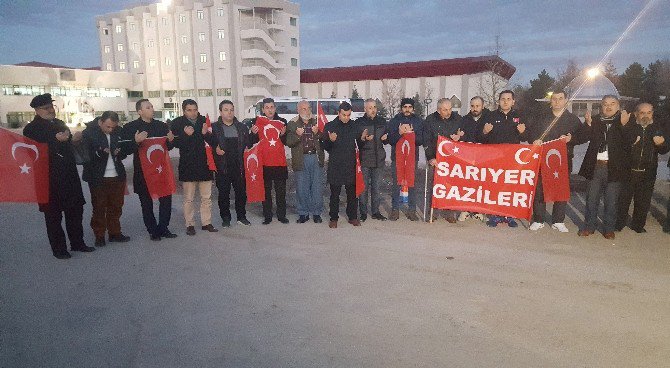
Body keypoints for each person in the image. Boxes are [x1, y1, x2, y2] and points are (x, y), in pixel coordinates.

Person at [23, 93, 95, 259]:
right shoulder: (31, 129)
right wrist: (55, 140)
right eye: (46, 108)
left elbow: (67, 145)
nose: (50, 110)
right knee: (53, 216)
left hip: (69, 175)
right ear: (37, 110)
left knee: (75, 211)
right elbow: (32, 152)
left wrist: (74, 141)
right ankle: (59, 249)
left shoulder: (60, 123)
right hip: (48, 178)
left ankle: (77, 243)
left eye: (51, 106)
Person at [573, 95, 632, 239]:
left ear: (618, 106)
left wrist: (624, 126)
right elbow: (581, 138)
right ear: (601, 106)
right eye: (605, 104)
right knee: (591, 199)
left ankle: (608, 229)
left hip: (614, 168)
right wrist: (587, 124)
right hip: (595, 167)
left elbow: (630, 141)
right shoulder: (595, 120)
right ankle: (589, 226)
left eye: (612, 104)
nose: (609, 106)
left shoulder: (624, 121)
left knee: (611, 201)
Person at [120, 99, 177, 241]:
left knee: (166, 200)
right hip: (143, 172)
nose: (152, 109)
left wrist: (170, 141)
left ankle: (163, 228)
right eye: (147, 107)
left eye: (151, 106)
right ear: (139, 111)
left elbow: (168, 148)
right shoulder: (131, 127)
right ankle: (153, 230)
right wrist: (136, 141)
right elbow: (125, 150)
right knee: (146, 203)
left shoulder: (162, 126)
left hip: (161, 170)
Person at [527, 90, 582, 233]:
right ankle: (538, 219)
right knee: (540, 189)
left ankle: (558, 220)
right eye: (554, 99)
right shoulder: (541, 118)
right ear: (550, 101)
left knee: (561, 189)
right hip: (543, 159)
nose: (557, 101)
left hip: (563, 160)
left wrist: (572, 139)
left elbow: (583, 136)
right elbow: (531, 133)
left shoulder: (572, 119)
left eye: (560, 98)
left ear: (566, 101)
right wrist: (534, 140)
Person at [616, 102, 668, 233]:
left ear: (652, 114)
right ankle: (619, 223)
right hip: (629, 170)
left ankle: (638, 225)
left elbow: (664, 150)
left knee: (643, 201)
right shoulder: (629, 126)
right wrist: (625, 132)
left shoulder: (658, 128)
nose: (646, 115)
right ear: (636, 114)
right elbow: (619, 145)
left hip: (648, 171)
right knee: (623, 199)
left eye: (649, 112)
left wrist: (661, 144)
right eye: (642, 112)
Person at [81, 111, 131, 247]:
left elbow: (125, 150)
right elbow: (85, 155)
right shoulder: (88, 132)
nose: (111, 130)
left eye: (113, 127)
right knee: (99, 207)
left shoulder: (118, 131)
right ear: (101, 122)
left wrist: (120, 152)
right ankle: (99, 235)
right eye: (108, 127)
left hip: (117, 175)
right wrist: (99, 152)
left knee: (116, 206)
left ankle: (115, 233)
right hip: (97, 177)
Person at [170, 99, 218, 236]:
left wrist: (205, 134)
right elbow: (174, 143)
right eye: (189, 110)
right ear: (184, 111)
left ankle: (206, 223)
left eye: (195, 109)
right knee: (188, 198)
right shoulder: (178, 123)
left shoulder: (204, 121)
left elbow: (214, 142)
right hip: (188, 165)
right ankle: (189, 224)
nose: (193, 113)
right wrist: (186, 135)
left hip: (205, 165)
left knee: (206, 197)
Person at [480, 90, 527, 228]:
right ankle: (494, 215)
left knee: (510, 187)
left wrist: (523, 132)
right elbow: (480, 137)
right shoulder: (490, 116)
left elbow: (526, 137)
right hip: (495, 158)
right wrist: (484, 132)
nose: (505, 101)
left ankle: (509, 215)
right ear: (498, 101)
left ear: (513, 101)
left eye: (508, 99)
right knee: (495, 186)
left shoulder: (519, 116)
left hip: (513, 158)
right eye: (502, 99)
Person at [321, 102, 368, 228]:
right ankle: (333, 218)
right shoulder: (330, 126)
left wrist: (362, 139)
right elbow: (324, 146)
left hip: (350, 165)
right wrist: (330, 140)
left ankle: (352, 216)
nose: (346, 117)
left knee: (352, 194)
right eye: (344, 115)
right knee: (334, 194)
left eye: (348, 115)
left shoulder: (354, 126)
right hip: (336, 165)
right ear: (338, 113)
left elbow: (359, 145)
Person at [207, 100, 252, 227]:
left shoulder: (241, 127)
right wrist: (216, 148)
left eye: (231, 109)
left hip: (239, 166)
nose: (229, 112)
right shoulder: (214, 128)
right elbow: (209, 144)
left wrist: (253, 135)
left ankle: (241, 217)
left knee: (241, 194)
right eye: (226, 110)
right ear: (220, 112)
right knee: (223, 195)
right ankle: (225, 218)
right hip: (223, 167)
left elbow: (248, 144)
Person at [249, 98, 289, 225]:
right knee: (266, 191)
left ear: (275, 108)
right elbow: (252, 142)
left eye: (272, 107)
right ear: (263, 109)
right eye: (267, 107)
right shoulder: (257, 122)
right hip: (264, 162)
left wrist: (283, 135)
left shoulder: (282, 121)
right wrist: (252, 133)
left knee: (281, 191)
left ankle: (282, 215)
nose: (270, 110)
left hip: (279, 162)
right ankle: (267, 215)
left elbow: (287, 142)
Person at [424, 98, 462, 223]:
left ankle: (449, 212)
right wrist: (430, 157)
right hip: (436, 158)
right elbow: (426, 140)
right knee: (434, 185)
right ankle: (433, 212)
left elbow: (464, 133)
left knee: (451, 186)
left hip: (452, 158)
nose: (449, 112)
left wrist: (460, 136)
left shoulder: (457, 118)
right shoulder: (430, 120)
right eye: (445, 110)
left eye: (450, 109)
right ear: (438, 110)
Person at [286, 100, 325, 223]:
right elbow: (289, 142)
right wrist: (297, 135)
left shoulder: (317, 121)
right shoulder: (292, 123)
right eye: (303, 109)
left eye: (308, 108)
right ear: (298, 110)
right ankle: (303, 213)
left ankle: (317, 213)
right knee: (301, 187)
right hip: (301, 158)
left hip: (315, 157)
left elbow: (325, 139)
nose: (307, 111)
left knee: (317, 188)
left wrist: (317, 132)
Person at [387, 97, 424, 221]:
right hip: (397, 158)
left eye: (409, 107)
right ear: (401, 108)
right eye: (405, 107)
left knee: (412, 184)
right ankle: (395, 210)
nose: (407, 109)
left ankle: (411, 210)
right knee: (396, 184)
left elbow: (421, 140)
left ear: (413, 108)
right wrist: (399, 132)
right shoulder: (394, 121)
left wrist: (412, 134)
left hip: (412, 158)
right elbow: (390, 140)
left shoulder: (418, 121)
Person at [457, 96, 489, 222]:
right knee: (467, 183)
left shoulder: (489, 118)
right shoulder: (464, 120)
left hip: (484, 157)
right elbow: (460, 137)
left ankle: (478, 210)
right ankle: (465, 209)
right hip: (468, 157)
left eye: (477, 106)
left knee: (481, 184)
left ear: (483, 106)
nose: (475, 109)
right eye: (472, 106)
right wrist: (460, 137)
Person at [356, 98, 388, 221]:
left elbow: (387, 139)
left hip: (379, 159)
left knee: (377, 188)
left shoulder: (382, 121)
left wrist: (386, 138)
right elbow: (357, 142)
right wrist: (362, 138)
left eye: (374, 107)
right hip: (364, 159)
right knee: (363, 189)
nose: (373, 110)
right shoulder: (359, 122)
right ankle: (363, 213)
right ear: (365, 109)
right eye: (370, 108)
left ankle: (375, 212)